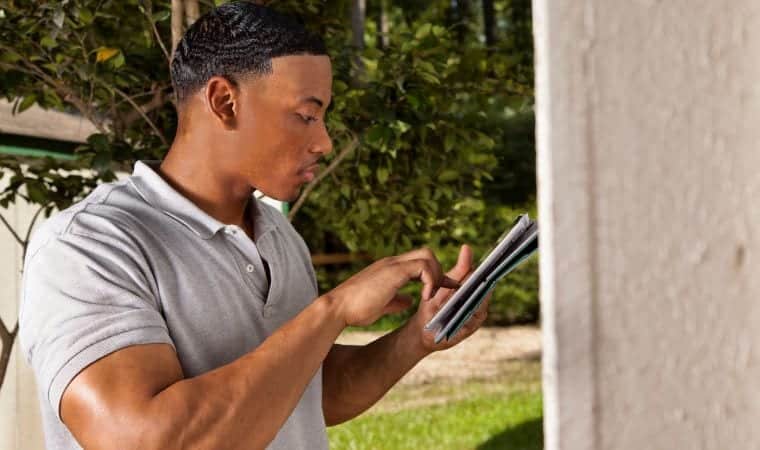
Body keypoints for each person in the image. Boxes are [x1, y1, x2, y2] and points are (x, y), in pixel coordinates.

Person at [19, 3, 490, 449]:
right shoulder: (88, 245)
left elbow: (307, 393)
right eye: (306, 115)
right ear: (224, 101)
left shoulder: (279, 238)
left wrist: (417, 338)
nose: (324, 141)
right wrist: (332, 310)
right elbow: (147, 439)